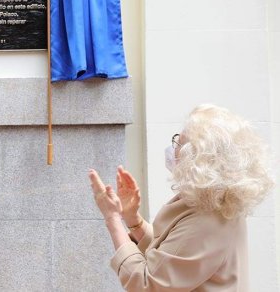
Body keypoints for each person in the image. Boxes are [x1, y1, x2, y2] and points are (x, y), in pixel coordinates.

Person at [89, 104, 274, 291]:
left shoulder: (207, 220)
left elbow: (146, 283)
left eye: (179, 142)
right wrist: (132, 219)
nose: (173, 148)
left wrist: (112, 218)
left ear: (195, 158)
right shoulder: (218, 199)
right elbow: (175, 251)